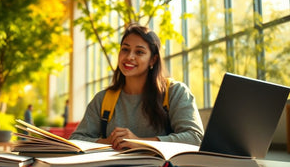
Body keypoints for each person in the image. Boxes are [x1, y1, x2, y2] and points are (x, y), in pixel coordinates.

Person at [70, 23, 204, 150]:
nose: (129, 57)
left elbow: (195, 137)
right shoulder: (102, 99)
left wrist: (139, 142)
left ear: (153, 59)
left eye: (139, 52)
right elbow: (76, 139)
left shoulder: (175, 92)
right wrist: (108, 142)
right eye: (125, 49)